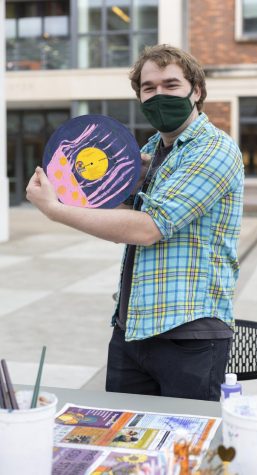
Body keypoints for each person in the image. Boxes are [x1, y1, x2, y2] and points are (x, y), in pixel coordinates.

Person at [26, 44, 244, 401]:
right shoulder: (152, 150)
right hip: (132, 329)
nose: (159, 95)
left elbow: (147, 228)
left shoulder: (214, 149)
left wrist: (55, 210)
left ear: (197, 91)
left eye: (171, 85)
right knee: (125, 446)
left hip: (188, 336)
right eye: (149, 88)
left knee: (186, 449)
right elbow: (117, 215)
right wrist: (91, 186)